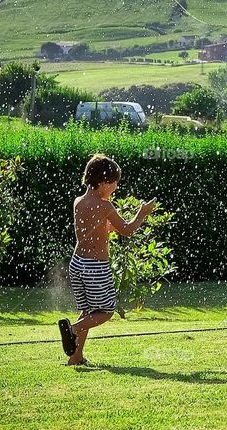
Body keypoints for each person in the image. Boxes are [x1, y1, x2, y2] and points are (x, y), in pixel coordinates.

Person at [58, 153, 156, 365]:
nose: (115, 188)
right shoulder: (105, 206)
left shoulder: (78, 202)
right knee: (105, 312)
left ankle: (75, 358)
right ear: (103, 182)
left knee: (87, 311)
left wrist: (107, 226)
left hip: (77, 263)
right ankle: (72, 330)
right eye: (114, 184)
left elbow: (94, 229)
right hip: (95, 266)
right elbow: (127, 230)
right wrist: (142, 213)